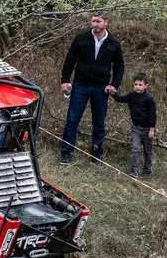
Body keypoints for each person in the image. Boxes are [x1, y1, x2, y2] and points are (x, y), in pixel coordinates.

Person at [59, 13, 125, 165]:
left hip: (101, 88)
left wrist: (114, 85)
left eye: (98, 21)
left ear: (106, 22)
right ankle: (66, 154)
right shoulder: (81, 38)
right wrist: (65, 81)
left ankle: (96, 157)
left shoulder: (114, 42)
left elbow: (119, 66)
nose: (95, 24)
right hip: (80, 85)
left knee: (99, 123)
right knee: (72, 120)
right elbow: (70, 60)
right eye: (93, 21)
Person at [110, 73, 156, 177]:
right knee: (136, 149)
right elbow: (120, 99)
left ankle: (147, 169)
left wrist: (152, 129)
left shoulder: (149, 99)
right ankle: (134, 171)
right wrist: (113, 93)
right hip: (136, 127)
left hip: (147, 128)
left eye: (140, 85)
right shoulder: (131, 96)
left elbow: (153, 115)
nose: (137, 87)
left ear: (146, 86)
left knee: (148, 151)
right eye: (136, 84)